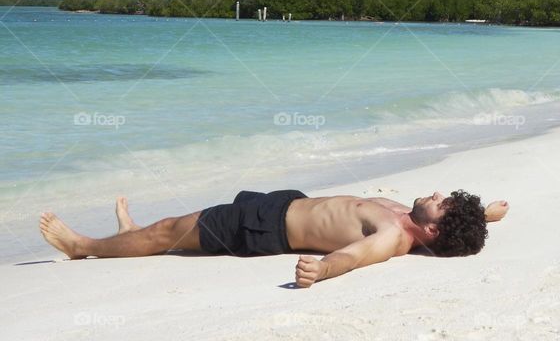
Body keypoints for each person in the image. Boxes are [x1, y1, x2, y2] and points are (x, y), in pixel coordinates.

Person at [39, 190, 510, 287]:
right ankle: (128, 235)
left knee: (170, 231)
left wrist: (322, 269)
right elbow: (457, 226)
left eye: (442, 203)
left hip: (264, 227)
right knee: (174, 224)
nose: (436, 194)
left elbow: (356, 256)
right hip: (282, 204)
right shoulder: (414, 218)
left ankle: (83, 247)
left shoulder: (390, 235)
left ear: (431, 230)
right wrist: (483, 215)